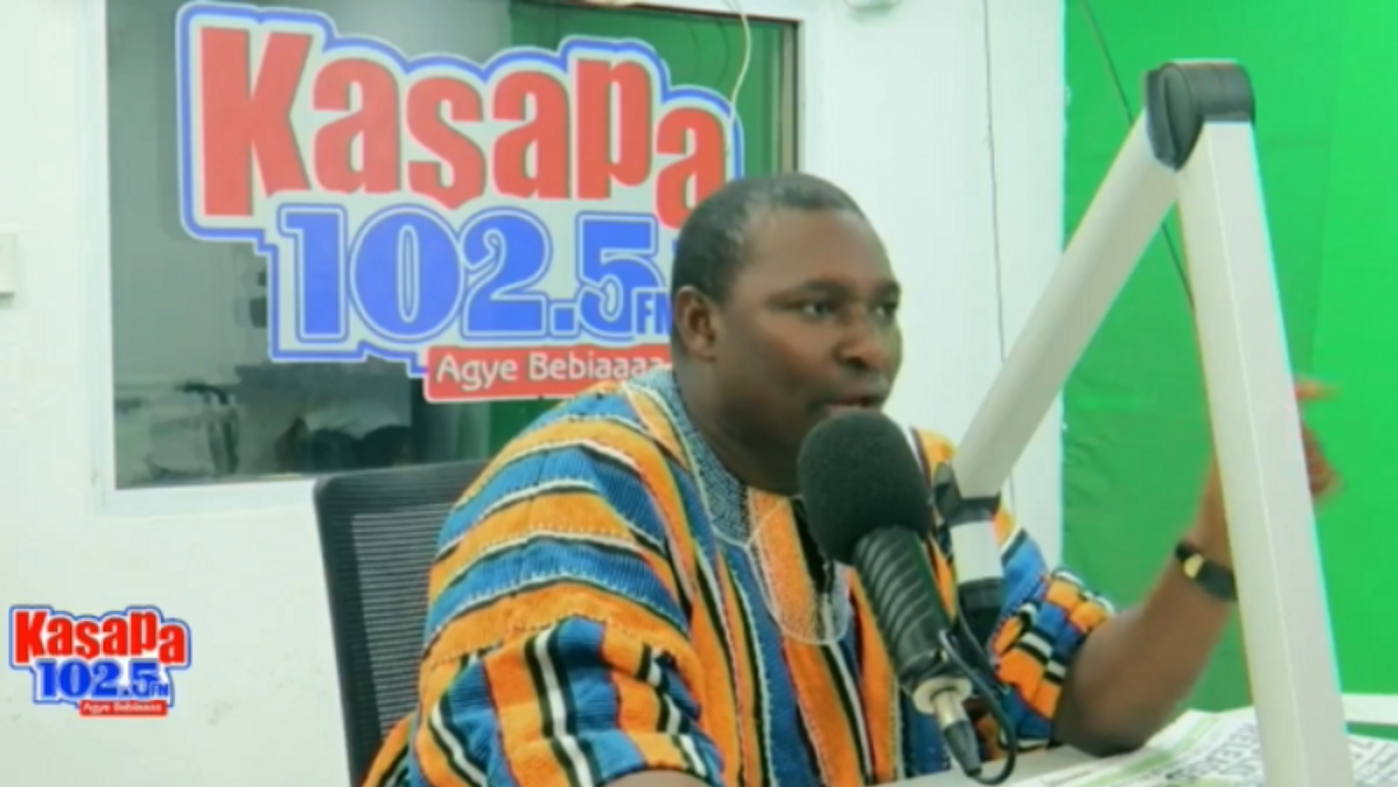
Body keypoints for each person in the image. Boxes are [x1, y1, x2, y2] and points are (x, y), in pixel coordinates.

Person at [359, 173, 1339, 787]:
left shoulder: (912, 473)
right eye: (817, 307)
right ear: (700, 324)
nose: (869, 346)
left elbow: (1093, 699)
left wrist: (1216, 548)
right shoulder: (573, 498)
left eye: (884, 308)